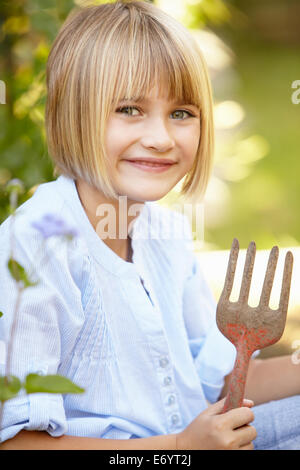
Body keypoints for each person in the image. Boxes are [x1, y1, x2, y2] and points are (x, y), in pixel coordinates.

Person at [0, 0, 300, 451]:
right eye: (129, 109)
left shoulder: (166, 233)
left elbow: (223, 381)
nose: (161, 138)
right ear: (71, 113)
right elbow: (18, 443)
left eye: (181, 113)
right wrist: (179, 448)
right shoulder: (35, 244)